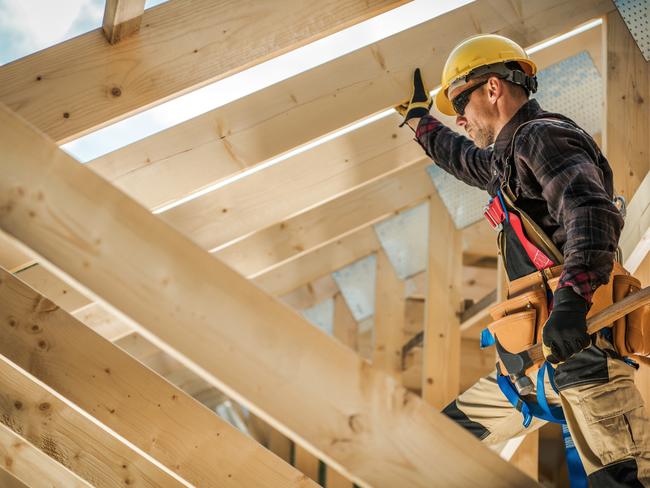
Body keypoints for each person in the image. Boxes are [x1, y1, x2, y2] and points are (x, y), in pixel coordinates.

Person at [397, 34, 650, 486]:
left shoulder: (543, 137)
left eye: (460, 101)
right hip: (531, 369)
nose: (459, 117)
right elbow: (460, 157)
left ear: (492, 89)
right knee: (433, 442)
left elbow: (589, 213)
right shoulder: (506, 159)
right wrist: (420, 121)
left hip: (585, 360)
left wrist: (571, 301)